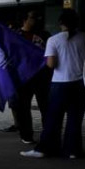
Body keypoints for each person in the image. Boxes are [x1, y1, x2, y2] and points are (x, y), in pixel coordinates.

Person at [21, 10, 85, 160]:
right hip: (80, 84)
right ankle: (73, 151)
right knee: (75, 118)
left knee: (53, 118)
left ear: (60, 23)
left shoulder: (54, 40)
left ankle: (45, 148)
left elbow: (51, 64)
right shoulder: (84, 37)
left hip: (60, 84)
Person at [11, 11, 51, 144]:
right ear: (24, 20)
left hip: (42, 76)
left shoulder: (43, 35)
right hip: (23, 77)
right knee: (23, 107)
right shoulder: (15, 36)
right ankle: (26, 135)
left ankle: (49, 133)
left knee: (45, 106)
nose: (35, 20)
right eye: (32, 17)